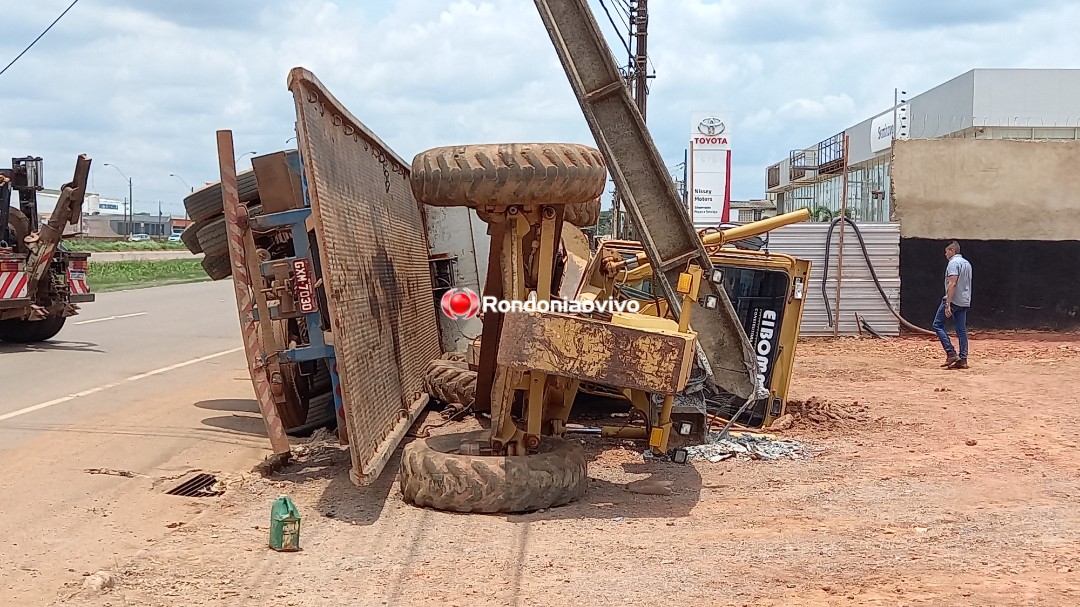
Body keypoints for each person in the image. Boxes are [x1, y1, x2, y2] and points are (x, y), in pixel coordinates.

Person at [932, 240, 972, 369]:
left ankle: (951, 352)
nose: (945, 254)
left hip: (953, 299)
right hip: (964, 300)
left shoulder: (953, 263)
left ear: (952, 251)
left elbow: (952, 283)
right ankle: (963, 359)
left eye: (946, 251)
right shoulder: (967, 263)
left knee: (937, 325)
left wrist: (948, 303)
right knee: (961, 330)